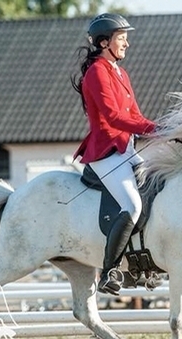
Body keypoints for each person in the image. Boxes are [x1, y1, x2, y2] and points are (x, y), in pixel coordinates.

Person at [71, 13, 158, 295]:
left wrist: (160, 129)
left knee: (154, 191)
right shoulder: (97, 71)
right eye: (122, 38)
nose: (127, 44)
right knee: (132, 207)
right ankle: (109, 272)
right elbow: (114, 116)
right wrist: (153, 128)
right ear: (104, 42)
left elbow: (135, 115)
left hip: (127, 149)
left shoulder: (120, 72)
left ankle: (141, 265)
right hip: (106, 152)